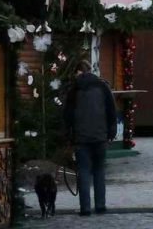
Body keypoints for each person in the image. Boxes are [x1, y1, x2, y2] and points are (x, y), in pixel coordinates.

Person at [63, 59, 117, 216]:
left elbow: (68, 115)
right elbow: (111, 111)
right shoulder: (102, 86)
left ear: (78, 72)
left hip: (81, 138)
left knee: (84, 171)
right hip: (100, 136)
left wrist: (68, 136)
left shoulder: (74, 90)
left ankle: (85, 208)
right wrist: (111, 132)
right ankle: (100, 205)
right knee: (99, 170)